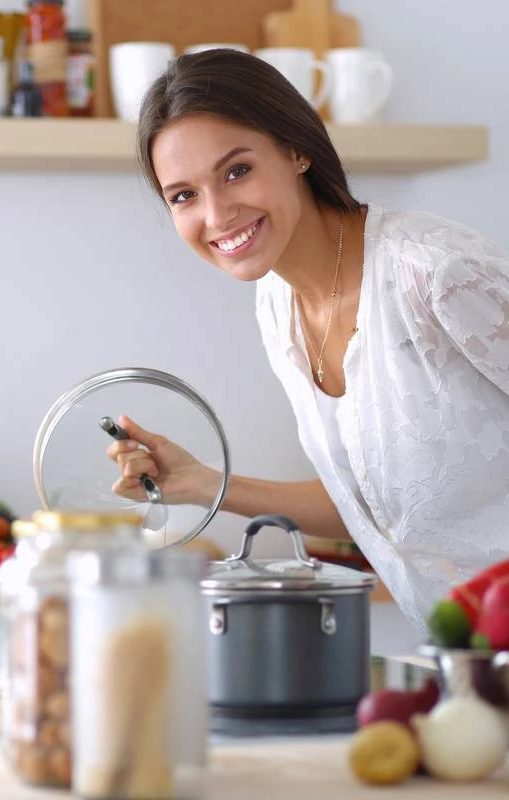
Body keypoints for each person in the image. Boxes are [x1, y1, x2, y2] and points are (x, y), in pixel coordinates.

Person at [106, 49, 509, 633]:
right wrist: (201, 484)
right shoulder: (277, 305)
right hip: (469, 661)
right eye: (184, 195)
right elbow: (376, 508)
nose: (217, 214)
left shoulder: (436, 272)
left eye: (236, 170)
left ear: (296, 149)